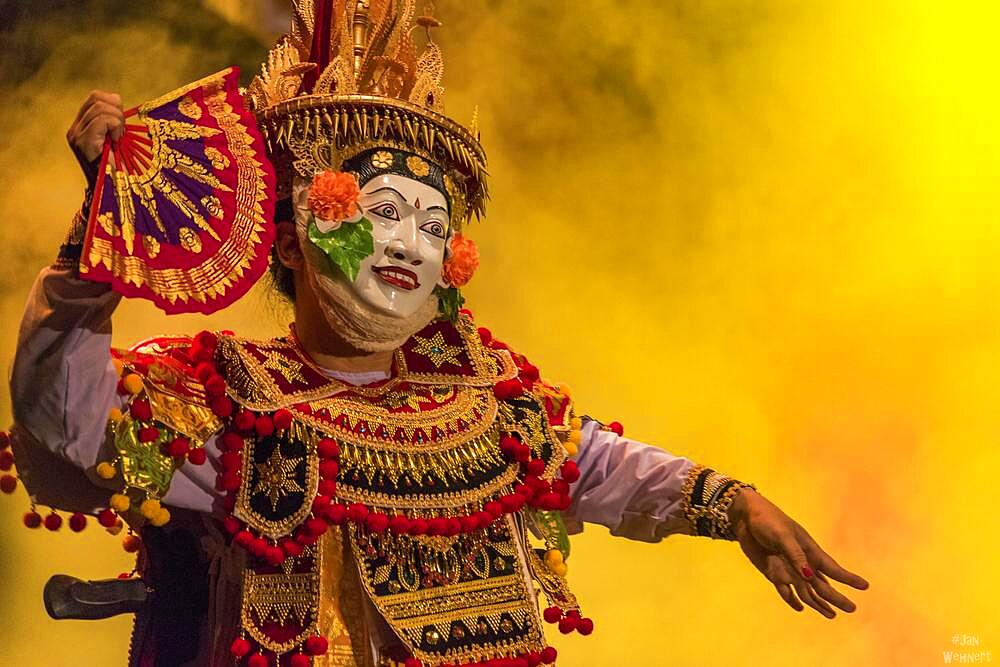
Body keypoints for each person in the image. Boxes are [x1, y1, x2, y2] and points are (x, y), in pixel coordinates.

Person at [6, 2, 868, 666]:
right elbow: (65, 421)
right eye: (381, 212)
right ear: (296, 236)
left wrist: (731, 501)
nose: (410, 245)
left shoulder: (483, 403)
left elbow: (597, 461)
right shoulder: (225, 401)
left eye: (432, 222)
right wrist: (98, 238)